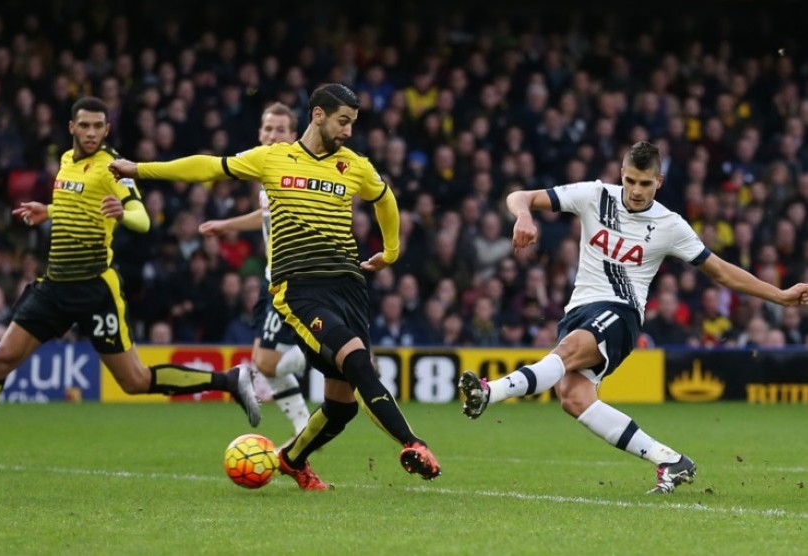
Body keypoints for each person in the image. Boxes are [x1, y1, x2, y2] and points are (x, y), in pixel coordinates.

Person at [109, 83, 441, 490]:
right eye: (343, 121)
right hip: (299, 288)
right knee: (357, 363)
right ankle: (413, 443)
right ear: (318, 114)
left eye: (353, 123)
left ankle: (291, 459)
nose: (349, 131)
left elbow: (385, 199)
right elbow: (207, 166)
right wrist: (140, 169)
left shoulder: (355, 165)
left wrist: (390, 252)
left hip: (349, 288)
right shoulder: (272, 158)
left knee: (341, 406)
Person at [458, 141, 808, 494]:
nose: (636, 191)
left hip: (620, 314)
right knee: (574, 398)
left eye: (645, 183)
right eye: (630, 181)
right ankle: (669, 459)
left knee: (565, 353)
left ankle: (490, 391)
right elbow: (520, 195)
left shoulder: (670, 225)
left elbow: (722, 272)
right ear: (621, 175)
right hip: (579, 310)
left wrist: (778, 295)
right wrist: (523, 215)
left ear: (659, 181)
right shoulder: (594, 196)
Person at [0, 97, 261, 429]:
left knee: (134, 380)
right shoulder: (67, 159)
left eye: (98, 126)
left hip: (95, 289)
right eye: (84, 125)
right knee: (0, 361)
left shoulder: (112, 166)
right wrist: (50, 210)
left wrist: (124, 213)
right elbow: (80, 204)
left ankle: (228, 381)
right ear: (71, 127)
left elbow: (142, 219)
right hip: (54, 286)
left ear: (107, 128)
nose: (91, 132)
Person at [198, 103, 311, 443]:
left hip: (296, 277)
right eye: (267, 129)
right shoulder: (268, 176)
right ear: (259, 133)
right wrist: (227, 225)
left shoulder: (297, 174)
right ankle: (303, 427)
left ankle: (321, 353)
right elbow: (265, 215)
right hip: (272, 276)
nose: (272, 135)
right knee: (265, 359)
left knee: (264, 361)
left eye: (280, 130)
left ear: (294, 137)